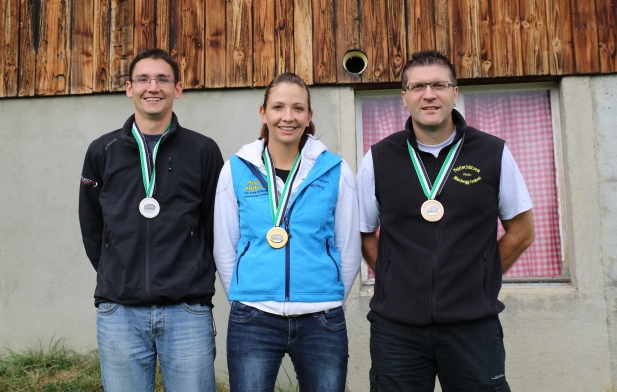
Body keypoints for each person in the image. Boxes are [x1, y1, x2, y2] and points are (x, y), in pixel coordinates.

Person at [356, 50, 535, 392]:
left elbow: (522, 232)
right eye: (418, 86)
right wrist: (395, 278)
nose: (429, 95)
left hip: (472, 326)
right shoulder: (378, 158)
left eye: (439, 85)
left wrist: (481, 276)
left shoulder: (493, 153)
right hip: (397, 329)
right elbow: (363, 233)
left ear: (455, 92)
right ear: (404, 97)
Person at [78, 48, 223, 392]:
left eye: (162, 79)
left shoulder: (203, 150)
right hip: (120, 311)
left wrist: (193, 275)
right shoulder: (102, 151)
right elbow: (92, 225)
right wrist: (118, 272)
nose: (153, 87)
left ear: (178, 88)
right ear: (129, 88)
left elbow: (215, 225)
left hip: (187, 310)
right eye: (143, 79)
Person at [213, 72, 361, 392]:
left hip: (321, 317)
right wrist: (248, 294)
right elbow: (225, 245)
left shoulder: (335, 170)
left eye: (298, 108)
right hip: (253, 317)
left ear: (309, 116)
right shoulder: (236, 168)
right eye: (278, 107)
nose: (288, 117)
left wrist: (327, 295)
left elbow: (349, 246)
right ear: (263, 113)